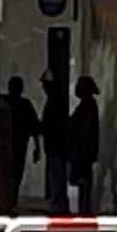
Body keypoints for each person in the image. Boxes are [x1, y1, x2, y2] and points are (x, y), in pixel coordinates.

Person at [4, 75, 42, 207]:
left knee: (10, 173)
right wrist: (37, 147)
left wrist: (37, 147)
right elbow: (35, 128)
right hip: (16, 144)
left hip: (8, 145)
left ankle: (8, 200)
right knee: (15, 173)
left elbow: (35, 127)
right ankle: (11, 200)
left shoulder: (5, 104)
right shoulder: (23, 104)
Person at [67, 75, 101, 215]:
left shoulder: (87, 107)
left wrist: (75, 149)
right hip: (83, 152)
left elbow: (84, 131)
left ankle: (84, 211)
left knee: (83, 182)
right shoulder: (87, 106)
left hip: (82, 153)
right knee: (83, 183)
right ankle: (83, 210)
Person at [40, 70, 70, 213]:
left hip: (56, 145)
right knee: (55, 175)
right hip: (54, 145)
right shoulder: (55, 100)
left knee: (57, 176)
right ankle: (57, 204)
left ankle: (58, 206)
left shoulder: (55, 101)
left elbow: (53, 124)